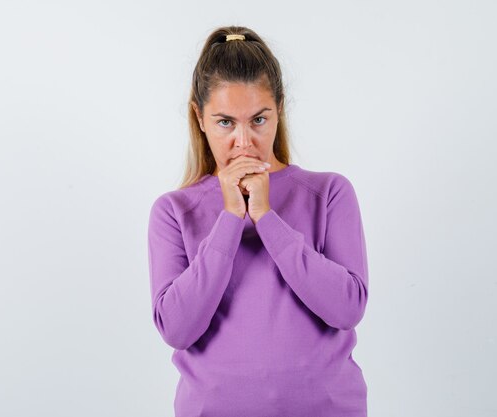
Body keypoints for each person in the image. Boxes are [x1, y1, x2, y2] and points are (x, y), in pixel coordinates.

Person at [147, 25, 369, 417]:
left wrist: (266, 216)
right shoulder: (174, 211)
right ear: (199, 117)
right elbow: (177, 330)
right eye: (225, 122)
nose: (244, 142)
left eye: (259, 120)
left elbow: (347, 309)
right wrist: (231, 218)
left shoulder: (330, 193)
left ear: (279, 110)